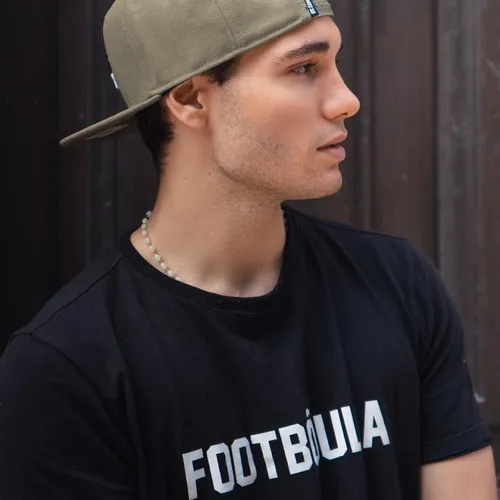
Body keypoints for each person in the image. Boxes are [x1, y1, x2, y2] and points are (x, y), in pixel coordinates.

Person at [0, 0, 497, 498]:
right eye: (303, 68)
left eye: (334, 63)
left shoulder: (396, 284)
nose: (347, 100)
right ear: (191, 100)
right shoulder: (68, 369)